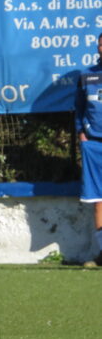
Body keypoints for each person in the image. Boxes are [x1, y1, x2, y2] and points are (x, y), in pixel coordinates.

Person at [76, 32, 102, 267]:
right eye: (101, 44)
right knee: (98, 200)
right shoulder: (88, 76)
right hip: (94, 144)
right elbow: (79, 107)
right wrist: (81, 133)